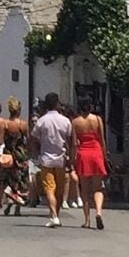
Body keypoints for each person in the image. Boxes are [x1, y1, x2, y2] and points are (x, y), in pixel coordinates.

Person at [31, 93, 75, 228]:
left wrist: (36, 152)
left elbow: (33, 137)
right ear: (57, 104)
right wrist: (71, 158)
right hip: (61, 159)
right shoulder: (66, 121)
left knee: (49, 188)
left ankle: (53, 216)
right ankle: (56, 215)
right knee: (60, 190)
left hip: (46, 159)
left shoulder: (42, 121)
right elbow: (71, 141)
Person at [73, 103, 109, 230]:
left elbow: (74, 143)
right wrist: (104, 156)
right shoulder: (97, 119)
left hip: (83, 153)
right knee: (98, 188)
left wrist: (73, 159)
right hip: (96, 152)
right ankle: (98, 212)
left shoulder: (75, 122)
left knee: (85, 189)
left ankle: (87, 220)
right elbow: (102, 139)